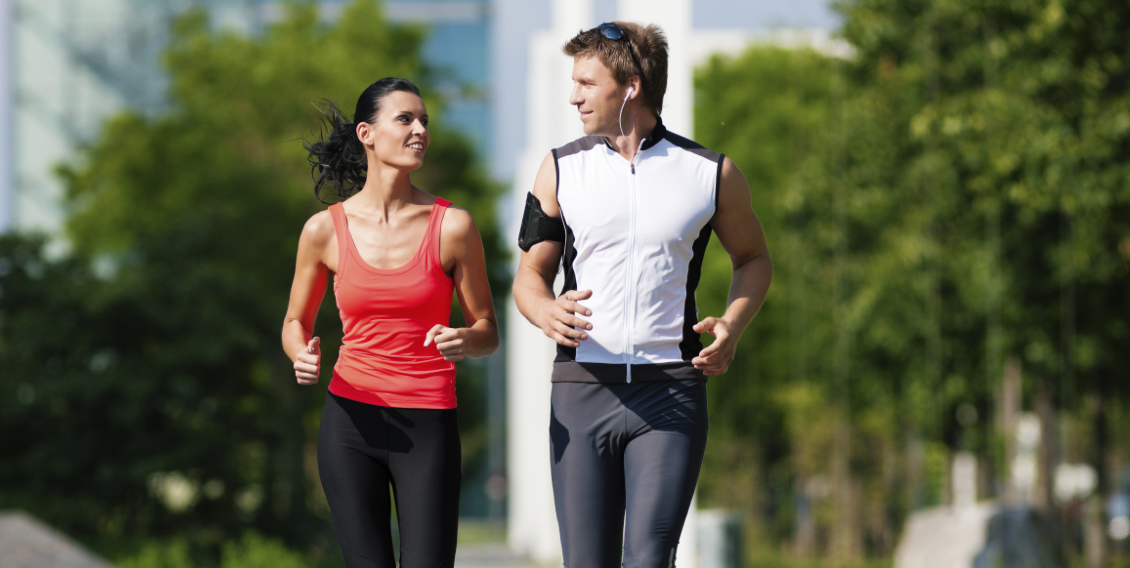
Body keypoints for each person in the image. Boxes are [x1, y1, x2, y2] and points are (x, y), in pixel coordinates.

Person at [513, 22, 773, 567]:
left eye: (587, 82)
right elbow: (529, 275)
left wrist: (732, 324)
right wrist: (544, 310)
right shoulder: (559, 169)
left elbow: (754, 259)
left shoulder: (711, 173)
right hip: (582, 391)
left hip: (671, 393)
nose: (573, 96)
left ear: (630, 87)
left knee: (650, 558)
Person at [282, 77, 498, 568]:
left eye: (424, 121)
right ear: (367, 133)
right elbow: (295, 321)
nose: (420, 130)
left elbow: (487, 330)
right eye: (405, 119)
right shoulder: (323, 230)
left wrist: (465, 339)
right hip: (349, 423)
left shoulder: (453, 227)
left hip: (428, 424)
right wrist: (300, 353)